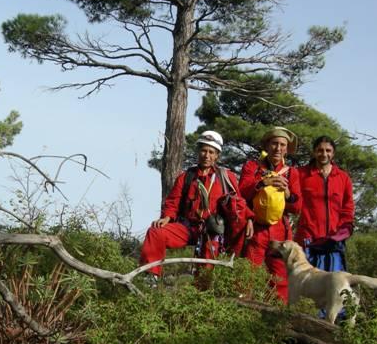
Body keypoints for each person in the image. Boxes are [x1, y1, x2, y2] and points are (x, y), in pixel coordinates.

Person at [139, 130, 249, 280]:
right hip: (187, 228)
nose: (207, 155)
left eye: (211, 152)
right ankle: (151, 277)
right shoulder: (186, 177)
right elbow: (173, 201)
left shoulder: (225, 178)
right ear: (198, 151)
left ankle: (201, 295)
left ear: (217, 155)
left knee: (206, 269)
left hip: (213, 232)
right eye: (204, 150)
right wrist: (167, 217)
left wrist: (248, 220)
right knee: (156, 232)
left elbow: (239, 204)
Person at [238, 127, 301, 302]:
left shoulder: (292, 173)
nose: (278, 148)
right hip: (255, 229)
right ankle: (241, 314)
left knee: (279, 279)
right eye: (274, 143)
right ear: (267, 145)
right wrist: (262, 183)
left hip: (280, 231)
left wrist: (288, 194)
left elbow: (297, 207)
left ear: (287, 149)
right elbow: (241, 192)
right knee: (247, 275)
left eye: (282, 145)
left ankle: (277, 319)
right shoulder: (252, 167)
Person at [296, 135, 355, 273]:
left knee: (335, 285)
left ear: (333, 153)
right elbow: (292, 201)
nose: (324, 154)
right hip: (308, 239)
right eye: (320, 150)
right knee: (308, 286)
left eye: (328, 150)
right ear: (314, 152)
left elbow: (348, 207)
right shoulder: (300, 174)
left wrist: (343, 231)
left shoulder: (343, 177)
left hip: (333, 241)